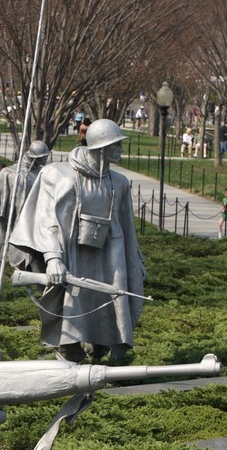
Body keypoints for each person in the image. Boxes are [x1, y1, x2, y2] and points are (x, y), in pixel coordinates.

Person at [9, 117, 146, 363]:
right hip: (70, 251)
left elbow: (127, 227)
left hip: (109, 253)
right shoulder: (59, 176)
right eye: (116, 145)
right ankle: (68, 348)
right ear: (102, 148)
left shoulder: (119, 183)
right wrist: (53, 259)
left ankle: (103, 344)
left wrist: (134, 259)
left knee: (111, 299)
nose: (121, 150)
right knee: (73, 300)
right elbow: (47, 219)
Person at [0, 140, 50, 253]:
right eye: (44, 157)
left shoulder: (42, 172)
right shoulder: (11, 173)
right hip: (16, 213)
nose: (46, 159)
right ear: (35, 157)